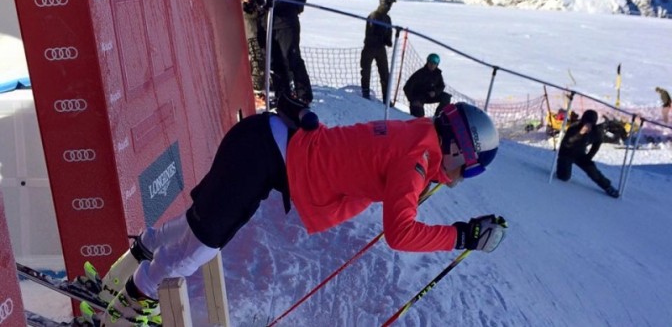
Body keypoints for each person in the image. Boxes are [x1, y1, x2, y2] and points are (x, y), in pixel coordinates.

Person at [101, 102, 507, 325]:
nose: (457, 179)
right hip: (263, 154)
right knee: (204, 245)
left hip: (266, 145)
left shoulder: (420, 137)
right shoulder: (416, 160)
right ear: (458, 150)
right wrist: (461, 236)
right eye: (466, 169)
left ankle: (138, 258)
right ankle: (135, 299)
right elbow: (400, 233)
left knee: (200, 226)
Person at [243, 0, 313, 104]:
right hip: (264, 23)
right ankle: (283, 97)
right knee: (274, 63)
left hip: (285, 22)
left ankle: (303, 96)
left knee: (291, 57)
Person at [556, 109, 619, 198]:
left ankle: (608, 187)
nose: (588, 125)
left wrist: (589, 157)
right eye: (586, 122)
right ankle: (560, 171)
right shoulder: (574, 127)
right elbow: (567, 142)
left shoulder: (595, 131)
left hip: (580, 154)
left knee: (593, 171)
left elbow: (597, 144)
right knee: (564, 177)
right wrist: (580, 133)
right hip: (566, 152)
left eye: (590, 123)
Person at [360, 0, 396, 103]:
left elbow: (389, 32)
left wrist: (388, 40)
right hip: (370, 47)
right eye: (388, 4)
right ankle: (365, 92)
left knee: (385, 74)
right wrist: (380, 38)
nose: (389, 7)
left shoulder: (387, 18)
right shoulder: (374, 16)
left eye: (390, 4)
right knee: (366, 70)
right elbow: (370, 33)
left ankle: (386, 97)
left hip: (380, 49)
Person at [239, 0, 266, 96]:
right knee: (256, 54)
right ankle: (256, 92)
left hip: (263, 18)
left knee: (263, 53)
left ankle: (260, 85)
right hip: (250, 18)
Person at [403, 53, 453, 117]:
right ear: (427, 62)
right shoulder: (419, 73)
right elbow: (407, 87)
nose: (432, 65)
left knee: (446, 97)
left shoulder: (437, 73)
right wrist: (412, 100)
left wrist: (435, 92)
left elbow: (441, 86)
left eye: (434, 63)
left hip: (429, 96)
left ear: (437, 64)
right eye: (430, 62)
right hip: (418, 97)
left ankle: (438, 117)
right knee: (419, 118)